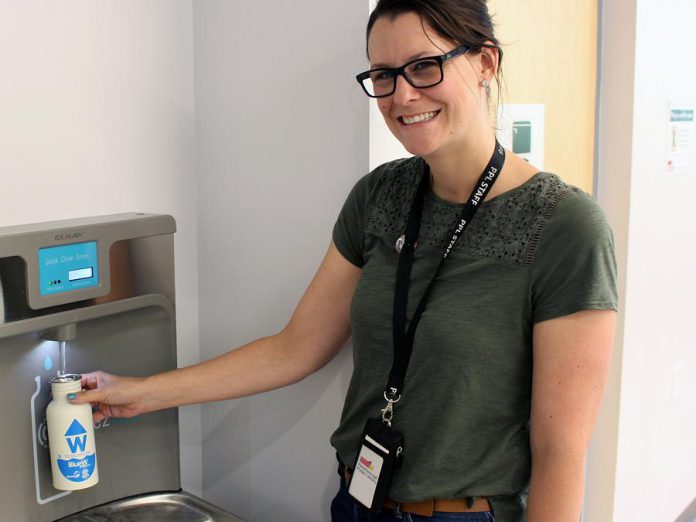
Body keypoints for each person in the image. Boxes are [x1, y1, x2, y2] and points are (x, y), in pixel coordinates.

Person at [71, 1, 618, 521]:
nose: (402, 96)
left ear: (485, 62)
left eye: (425, 67)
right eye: (383, 75)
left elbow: (560, 452)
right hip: (357, 502)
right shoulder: (380, 197)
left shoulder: (564, 227)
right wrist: (137, 395)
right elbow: (294, 349)